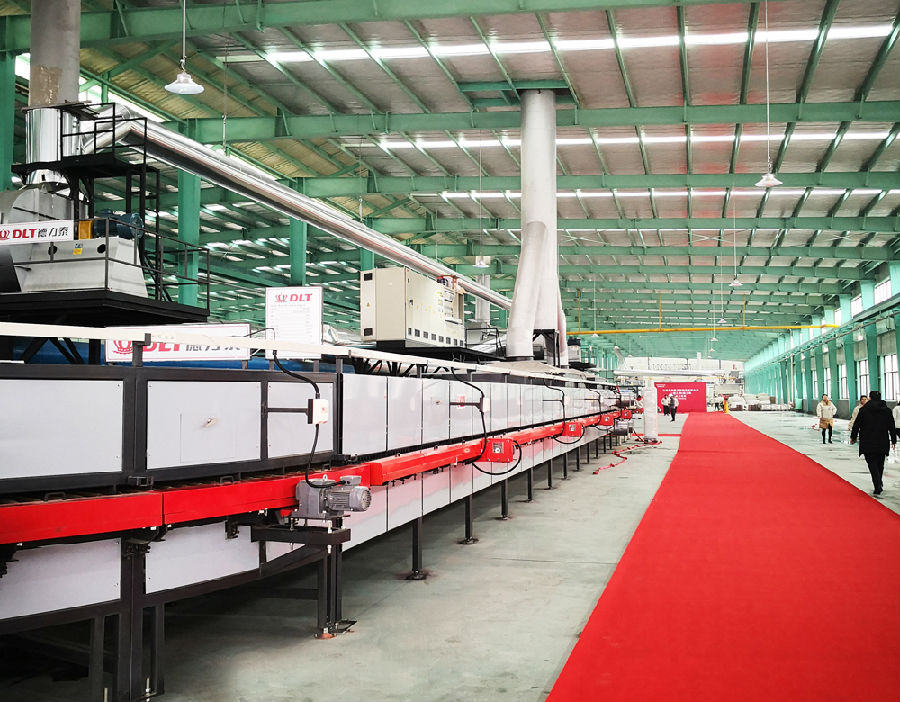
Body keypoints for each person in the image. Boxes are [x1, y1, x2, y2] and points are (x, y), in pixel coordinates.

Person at [850, 390, 897, 497]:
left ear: (870, 398)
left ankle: (877, 484)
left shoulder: (863, 410)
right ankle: (878, 481)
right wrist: (893, 440)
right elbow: (891, 426)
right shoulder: (887, 411)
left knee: (871, 463)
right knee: (880, 463)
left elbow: (857, 424)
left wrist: (853, 437)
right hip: (882, 440)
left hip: (868, 441)